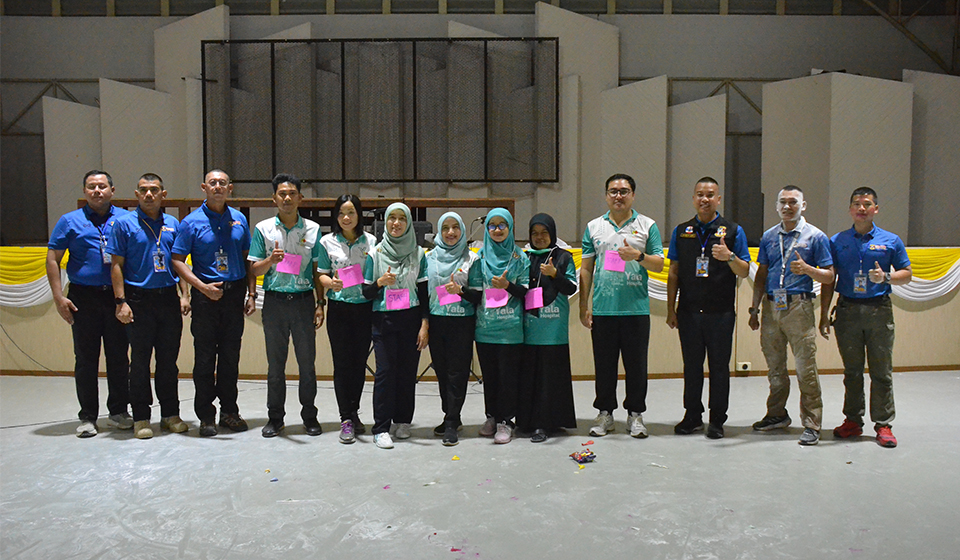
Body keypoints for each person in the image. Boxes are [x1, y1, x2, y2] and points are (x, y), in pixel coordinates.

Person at [821, 187, 911, 448]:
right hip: (847, 311)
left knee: (881, 371)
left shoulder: (891, 240)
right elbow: (829, 280)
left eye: (867, 204)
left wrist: (886, 277)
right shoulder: (837, 241)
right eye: (857, 204)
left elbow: (907, 273)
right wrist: (824, 314)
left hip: (878, 310)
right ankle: (853, 420)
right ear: (850, 209)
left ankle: (883, 424)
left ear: (876, 209)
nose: (862, 208)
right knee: (852, 372)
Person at [45, 170, 131, 437]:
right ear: (84, 191)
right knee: (85, 359)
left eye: (102, 186)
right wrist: (58, 297)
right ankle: (88, 417)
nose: (97, 191)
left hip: (117, 297)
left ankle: (118, 412)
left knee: (119, 356)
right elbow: (53, 258)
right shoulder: (69, 221)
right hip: (83, 298)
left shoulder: (126, 219)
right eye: (91, 186)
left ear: (112, 191)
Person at [747, 186, 834, 445]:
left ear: (803, 205)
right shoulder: (769, 236)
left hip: (799, 307)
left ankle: (812, 423)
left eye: (793, 202)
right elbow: (761, 274)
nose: (787, 207)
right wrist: (754, 309)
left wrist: (808, 270)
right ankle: (777, 414)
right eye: (782, 202)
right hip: (772, 305)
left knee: (805, 368)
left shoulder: (816, 237)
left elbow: (830, 276)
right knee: (775, 367)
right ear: (776, 206)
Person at [580, 174, 665, 438]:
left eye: (624, 191)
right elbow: (586, 268)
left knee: (636, 366)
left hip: (635, 309)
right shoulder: (594, 227)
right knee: (604, 366)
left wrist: (638, 256)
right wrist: (584, 305)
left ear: (633, 195)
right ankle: (605, 414)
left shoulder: (647, 225)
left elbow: (659, 264)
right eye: (613, 191)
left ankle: (635, 414)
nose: (618, 196)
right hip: (603, 309)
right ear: (606, 195)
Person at [108, 173, 191, 439]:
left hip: (168, 299)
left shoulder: (173, 224)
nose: (148, 194)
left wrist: (184, 294)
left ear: (163, 194)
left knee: (168, 361)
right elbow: (116, 265)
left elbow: (179, 262)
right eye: (143, 190)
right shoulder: (124, 224)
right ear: (136, 194)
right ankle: (141, 417)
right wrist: (121, 302)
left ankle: (170, 415)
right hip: (138, 300)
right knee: (140, 362)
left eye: (154, 190)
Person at [666, 177, 750, 440]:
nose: (705, 199)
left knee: (719, 367)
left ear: (718, 199)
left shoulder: (733, 231)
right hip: (689, 312)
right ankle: (692, 416)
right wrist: (670, 309)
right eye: (700, 194)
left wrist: (730, 257)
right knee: (691, 366)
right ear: (693, 198)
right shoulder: (681, 231)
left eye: (710, 195)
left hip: (720, 313)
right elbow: (673, 272)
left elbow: (744, 271)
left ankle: (717, 419)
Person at [171, 169, 252, 437]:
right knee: (205, 358)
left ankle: (229, 411)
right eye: (213, 183)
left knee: (230, 356)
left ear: (230, 188)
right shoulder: (190, 222)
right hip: (205, 295)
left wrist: (251, 294)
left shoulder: (239, 219)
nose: (218, 187)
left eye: (223, 183)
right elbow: (177, 260)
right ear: (204, 187)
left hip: (234, 294)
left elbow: (247, 259)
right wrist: (201, 287)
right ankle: (206, 415)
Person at [247, 173, 324, 438]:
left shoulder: (313, 229)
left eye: (292, 194)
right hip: (275, 303)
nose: (287, 198)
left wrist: (320, 303)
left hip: (303, 303)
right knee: (275, 366)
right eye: (282, 194)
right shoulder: (263, 229)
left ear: (300, 198)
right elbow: (253, 269)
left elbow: (317, 271)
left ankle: (309, 416)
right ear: (274, 198)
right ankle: (275, 418)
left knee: (307, 365)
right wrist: (270, 260)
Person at [361, 203, 429, 449]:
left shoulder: (419, 254)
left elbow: (424, 292)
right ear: (386, 222)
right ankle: (381, 427)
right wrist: (379, 282)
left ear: (409, 223)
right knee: (385, 372)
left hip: (411, 319)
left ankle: (402, 421)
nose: (396, 223)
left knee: (407, 373)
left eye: (402, 218)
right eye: (392, 218)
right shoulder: (375, 254)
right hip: (384, 319)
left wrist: (425, 324)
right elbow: (366, 292)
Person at [317, 194, 377, 444]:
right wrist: (330, 282)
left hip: (364, 309)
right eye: (341, 213)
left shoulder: (371, 241)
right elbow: (321, 274)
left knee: (359, 364)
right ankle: (346, 419)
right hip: (339, 310)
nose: (346, 217)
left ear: (359, 215)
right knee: (342, 365)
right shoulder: (326, 242)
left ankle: (354, 411)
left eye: (351, 212)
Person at [469, 208, 530, 444]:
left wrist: (507, 286)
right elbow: (476, 293)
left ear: (510, 228)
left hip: (510, 328)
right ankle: (491, 417)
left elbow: (525, 292)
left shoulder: (520, 257)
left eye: (502, 225)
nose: (497, 230)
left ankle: (506, 421)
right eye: (492, 225)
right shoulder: (480, 257)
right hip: (485, 329)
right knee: (490, 377)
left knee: (508, 377)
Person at [518, 213, 578, 443]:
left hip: (553, 328)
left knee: (550, 376)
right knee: (531, 376)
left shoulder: (563, 257)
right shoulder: (524, 257)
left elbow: (571, 288)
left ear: (552, 233)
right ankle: (528, 421)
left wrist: (555, 274)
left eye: (544, 233)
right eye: (535, 233)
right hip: (529, 327)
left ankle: (547, 422)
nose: (540, 237)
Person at [425, 212, 481, 447]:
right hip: (437, 321)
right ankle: (450, 416)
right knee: (441, 371)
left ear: (462, 231)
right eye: (445, 227)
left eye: (455, 227)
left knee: (457, 373)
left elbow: (478, 295)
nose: (450, 232)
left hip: (462, 322)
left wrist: (461, 291)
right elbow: (423, 292)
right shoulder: (428, 258)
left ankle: (451, 421)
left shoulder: (472, 259)